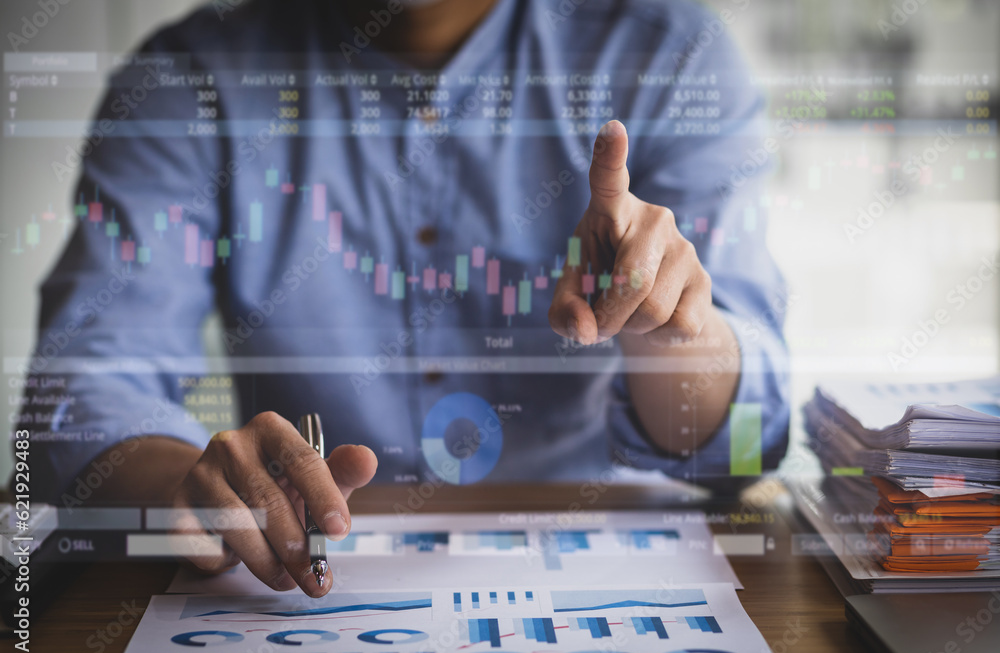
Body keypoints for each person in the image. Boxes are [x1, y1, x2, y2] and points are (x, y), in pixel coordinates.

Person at [21, 0, 789, 597]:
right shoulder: (190, 79)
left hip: (607, 582)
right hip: (304, 595)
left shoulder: (671, 52)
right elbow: (80, 392)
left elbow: (752, 444)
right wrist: (192, 487)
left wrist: (668, 332)